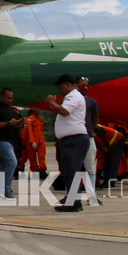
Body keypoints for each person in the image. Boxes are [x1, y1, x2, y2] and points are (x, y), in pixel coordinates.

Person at [46, 74, 88, 212]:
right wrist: (54, 106)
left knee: (72, 171)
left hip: (74, 139)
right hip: (69, 140)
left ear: (68, 85)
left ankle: (74, 202)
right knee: (69, 171)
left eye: (61, 88)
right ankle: (70, 197)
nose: (60, 91)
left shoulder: (73, 96)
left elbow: (64, 112)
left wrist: (52, 102)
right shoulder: (68, 98)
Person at [0, 88, 24, 200]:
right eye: (8, 98)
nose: (10, 100)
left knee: (5, 164)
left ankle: (1, 190)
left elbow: (13, 125)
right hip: (1, 139)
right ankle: (6, 189)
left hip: (11, 139)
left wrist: (19, 124)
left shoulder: (11, 109)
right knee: (12, 161)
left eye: (11, 98)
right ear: (2, 96)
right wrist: (9, 123)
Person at [75, 76, 100, 205]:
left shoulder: (91, 102)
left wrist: (88, 130)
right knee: (74, 168)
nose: (85, 87)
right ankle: (73, 196)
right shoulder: (70, 101)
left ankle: (92, 196)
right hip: (74, 138)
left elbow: (95, 120)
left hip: (88, 137)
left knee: (90, 168)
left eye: (86, 85)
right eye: (82, 85)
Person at [20, 109, 47, 177]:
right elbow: (29, 131)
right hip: (32, 141)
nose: (39, 110)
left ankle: (42, 169)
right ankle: (35, 171)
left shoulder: (40, 119)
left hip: (40, 140)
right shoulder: (29, 120)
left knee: (42, 156)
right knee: (32, 158)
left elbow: (41, 130)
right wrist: (32, 141)